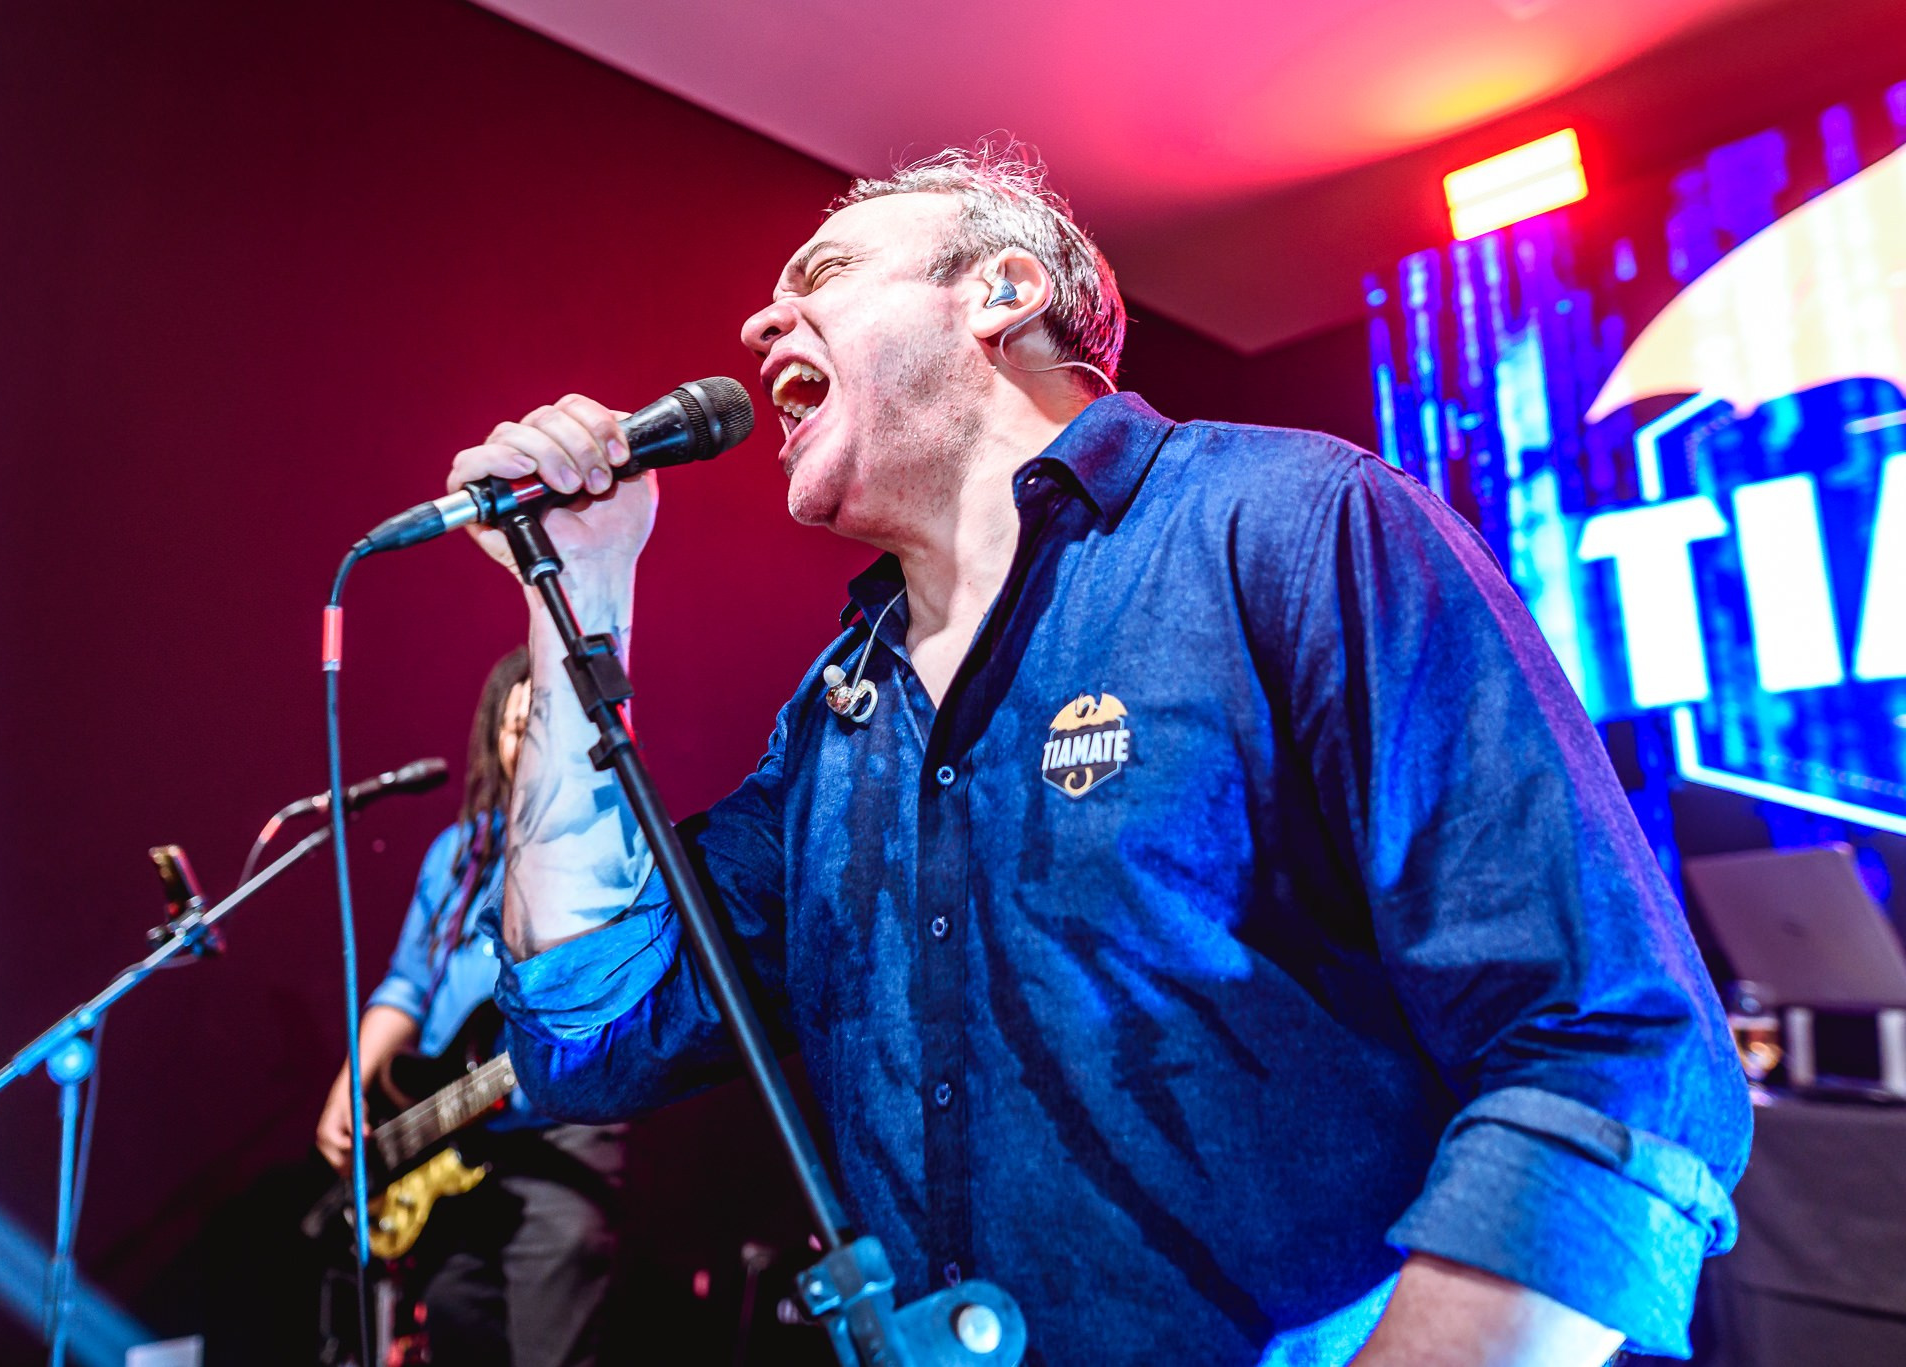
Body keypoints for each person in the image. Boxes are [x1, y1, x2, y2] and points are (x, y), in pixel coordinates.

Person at [445, 143, 1751, 1366]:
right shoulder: (837, 714)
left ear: (1002, 292)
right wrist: (580, 589)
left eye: (826, 274)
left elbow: (1609, 1047)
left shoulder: (1288, 523)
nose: (758, 323)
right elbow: (592, 1023)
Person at [315, 647, 622, 1367]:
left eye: (547, 722)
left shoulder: (607, 847)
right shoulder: (457, 852)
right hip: (455, 1151)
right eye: (519, 726)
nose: (531, 740)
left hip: (561, 1138)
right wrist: (349, 1084)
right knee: (455, 1320)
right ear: (495, 737)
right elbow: (407, 984)